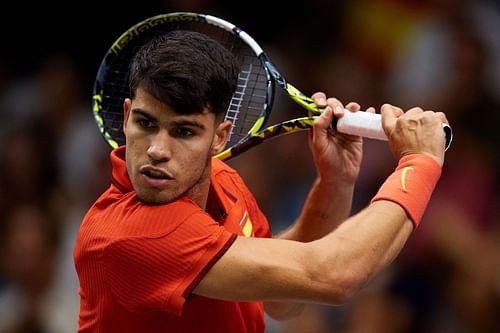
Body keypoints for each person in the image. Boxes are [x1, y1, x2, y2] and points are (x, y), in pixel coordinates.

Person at [74, 30, 448, 333]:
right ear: (125, 116)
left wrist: (335, 181)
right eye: (146, 123)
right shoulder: (132, 235)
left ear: (220, 137)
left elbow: (283, 300)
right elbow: (334, 275)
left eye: (184, 131)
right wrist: (420, 162)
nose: (157, 149)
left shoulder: (223, 180)